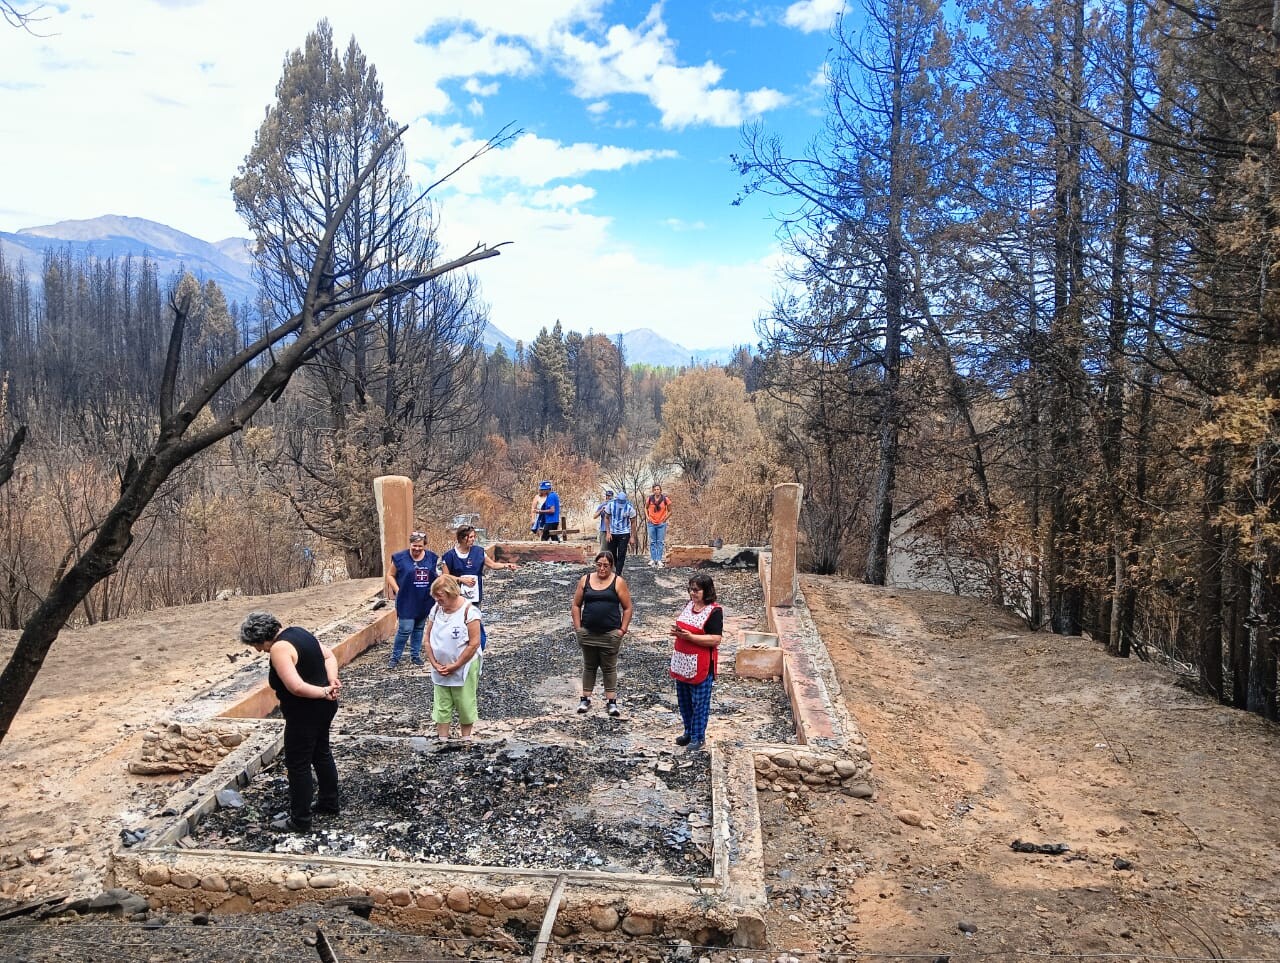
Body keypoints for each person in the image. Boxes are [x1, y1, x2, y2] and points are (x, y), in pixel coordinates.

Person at [240, 611, 341, 832]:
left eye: (256, 645)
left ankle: (300, 820)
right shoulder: (299, 632)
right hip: (324, 707)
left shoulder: (279, 648)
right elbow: (329, 656)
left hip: (305, 713)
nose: (258, 650)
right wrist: (331, 681)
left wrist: (325, 690)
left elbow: (296, 687)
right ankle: (329, 802)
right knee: (321, 753)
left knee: (298, 765)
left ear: (261, 637)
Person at [571, 550, 633, 718]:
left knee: (609, 667)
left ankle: (611, 702)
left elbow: (628, 608)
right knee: (589, 666)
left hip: (610, 633)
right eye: (599, 565)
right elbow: (576, 605)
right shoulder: (586, 580)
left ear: (611, 566)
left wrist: (622, 630)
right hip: (588, 632)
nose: (602, 569)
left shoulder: (618, 582)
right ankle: (585, 698)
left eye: (606, 565)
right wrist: (578, 628)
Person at [668, 573, 724, 752]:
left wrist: (691, 637)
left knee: (700, 702)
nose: (693, 593)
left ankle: (699, 736)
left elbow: (715, 639)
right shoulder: (689, 605)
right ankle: (688, 731)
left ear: (706, 591)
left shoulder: (714, 611)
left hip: (700, 664)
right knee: (684, 700)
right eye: (691, 590)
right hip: (683, 662)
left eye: (696, 590)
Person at [425, 574, 483, 739]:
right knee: (442, 704)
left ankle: (466, 738)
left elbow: (474, 643)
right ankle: (442, 738)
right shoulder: (435, 610)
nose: (437, 600)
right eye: (435, 596)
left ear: (452, 594)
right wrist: (434, 663)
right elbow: (427, 639)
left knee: (464, 702)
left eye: (440, 596)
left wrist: (456, 665)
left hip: (463, 667)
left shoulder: (469, 612)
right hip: (440, 667)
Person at [440, 524, 516, 652]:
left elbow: (492, 565)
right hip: (456, 597)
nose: (473, 539)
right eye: (470, 537)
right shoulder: (449, 556)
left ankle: (477, 648)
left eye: (474, 537)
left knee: (474, 620)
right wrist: (461, 580)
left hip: (475, 596)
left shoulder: (479, 552)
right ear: (462, 538)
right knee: (459, 623)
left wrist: (506, 566)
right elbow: (445, 577)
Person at [385, 531, 438, 667]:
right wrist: (398, 590)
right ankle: (395, 657)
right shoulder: (400, 558)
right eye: (414, 545)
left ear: (424, 545)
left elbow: (436, 576)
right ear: (410, 544)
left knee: (419, 628)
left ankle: (415, 655)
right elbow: (390, 575)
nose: (417, 549)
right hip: (406, 599)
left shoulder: (432, 558)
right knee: (405, 628)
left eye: (420, 546)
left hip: (424, 599)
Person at [605, 490, 638, 573]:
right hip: (612, 533)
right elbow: (606, 517)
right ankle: (616, 566)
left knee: (621, 553)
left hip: (624, 533)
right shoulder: (611, 505)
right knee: (611, 553)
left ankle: (618, 573)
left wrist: (632, 536)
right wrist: (608, 532)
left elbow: (633, 522)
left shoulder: (629, 507)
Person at [646, 483, 672, 568]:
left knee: (660, 542)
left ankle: (659, 559)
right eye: (655, 489)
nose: (657, 491)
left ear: (660, 490)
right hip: (651, 523)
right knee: (653, 542)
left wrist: (665, 519)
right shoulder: (650, 499)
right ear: (653, 490)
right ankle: (653, 559)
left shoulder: (665, 499)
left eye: (658, 489)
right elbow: (645, 508)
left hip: (661, 523)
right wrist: (647, 517)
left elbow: (670, 511)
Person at [592, 488, 614, 553]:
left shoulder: (614, 506)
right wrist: (601, 510)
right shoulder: (602, 505)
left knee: (612, 550)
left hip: (613, 531)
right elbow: (594, 516)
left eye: (610, 496)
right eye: (607, 496)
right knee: (603, 550)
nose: (609, 497)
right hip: (604, 530)